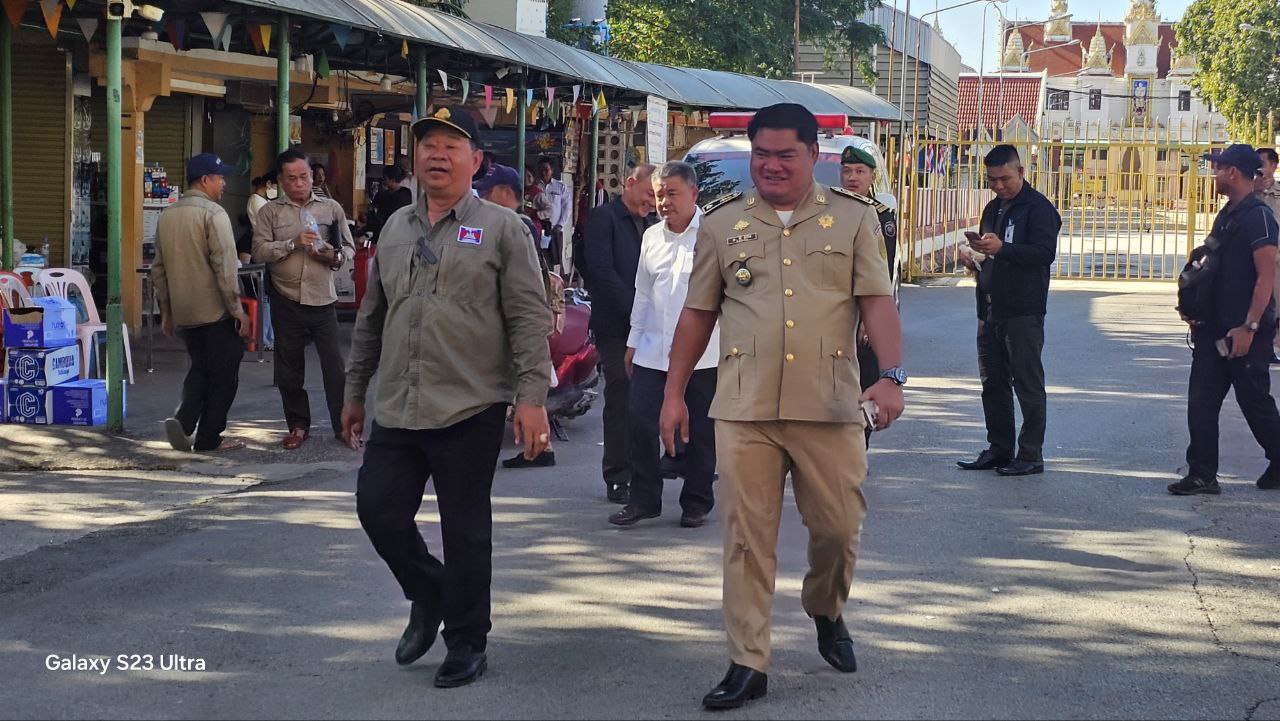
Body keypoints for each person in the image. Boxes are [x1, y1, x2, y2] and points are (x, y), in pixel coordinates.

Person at [659, 103, 905, 710]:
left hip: (830, 403)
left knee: (838, 529)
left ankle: (825, 607)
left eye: (784, 155)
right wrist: (673, 393)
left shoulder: (854, 219)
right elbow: (698, 313)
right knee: (746, 537)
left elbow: (877, 301)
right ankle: (748, 661)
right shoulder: (723, 223)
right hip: (745, 408)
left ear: (813, 155)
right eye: (761, 155)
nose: (770, 165)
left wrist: (892, 376)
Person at [343, 106, 552, 688]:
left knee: (465, 530)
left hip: (470, 403)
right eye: (428, 144)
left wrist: (531, 397)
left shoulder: (503, 228)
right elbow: (371, 315)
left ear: (476, 161)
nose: (437, 154)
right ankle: (429, 590)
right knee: (378, 509)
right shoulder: (395, 227)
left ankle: (466, 640)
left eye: (451, 146)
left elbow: (529, 318)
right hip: (399, 401)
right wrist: (355, 389)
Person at [609, 161, 718, 529]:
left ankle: (696, 501)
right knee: (640, 420)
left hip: (704, 354)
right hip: (653, 349)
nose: (664, 202)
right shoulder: (652, 237)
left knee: (700, 430)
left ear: (693, 194)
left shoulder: (712, 236)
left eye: (672, 194)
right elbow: (643, 293)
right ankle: (644, 499)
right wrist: (633, 341)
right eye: (659, 195)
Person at [1169, 144, 1280, 495]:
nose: (1213, 174)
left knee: (1255, 402)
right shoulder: (1227, 213)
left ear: (1233, 172)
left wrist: (1250, 326)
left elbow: (1266, 277)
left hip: (1244, 331)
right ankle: (1202, 474)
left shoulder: (1259, 217)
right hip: (1213, 329)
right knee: (1201, 402)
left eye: (1218, 168)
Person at [956, 144, 1060, 477]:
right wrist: (975, 258)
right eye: (992, 180)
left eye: (1005, 179)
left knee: (1027, 384)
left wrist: (1003, 249)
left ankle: (1030, 454)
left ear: (1021, 172)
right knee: (993, 382)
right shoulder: (992, 208)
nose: (998, 185)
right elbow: (991, 253)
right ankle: (999, 448)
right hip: (989, 308)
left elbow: (1043, 253)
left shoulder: (1038, 208)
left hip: (1022, 310)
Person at [252, 148, 356, 450]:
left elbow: (348, 248)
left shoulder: (331, 209)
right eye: (292, 178)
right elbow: (259, 250)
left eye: (304, 177)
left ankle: (344, 426)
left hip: (323, 299)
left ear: (313, 176)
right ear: (281, 181)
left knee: (334, 368)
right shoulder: (270, 212)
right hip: (286, 298)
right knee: (289, 369)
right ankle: (298, 426)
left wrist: (333, 256)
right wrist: (291, 243)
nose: (299, 183)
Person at [152, 153, 254, 453]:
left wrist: (167, 311)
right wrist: (238, 311)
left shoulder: (167, 215)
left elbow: (158, 269)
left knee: (201, 366)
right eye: (220, 178)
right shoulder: (214, 214)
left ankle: (184, 423)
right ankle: (209, 437)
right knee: (224, 375)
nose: (224, 184)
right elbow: (225, 267)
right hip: (216, 311)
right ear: (205, 179)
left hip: (184, 312)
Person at [473, 162, 564, 469]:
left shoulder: (516, 225)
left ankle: (538, 447)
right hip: (518, 317)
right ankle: (540, 446)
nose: (482, 198)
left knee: (520, 386)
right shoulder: (514, 223)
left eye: (487, 192)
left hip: (518, 319)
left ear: (504, 192)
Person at [583, 164, 657, 504]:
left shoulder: (654, 224)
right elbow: (601, 272)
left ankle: (652, 468)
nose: (652, 202)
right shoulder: (604, 219)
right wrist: (636, 312)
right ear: (630, 183)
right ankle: (618, 474)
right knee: (621, 397)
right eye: (649, 194)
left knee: (650, 399)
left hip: (653, 327)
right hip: (616, 326)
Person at [839, 145, 898, 448]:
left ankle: (861, 446)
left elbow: (882, 270)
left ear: (872, 177)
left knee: (867, 379)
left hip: (865, 311)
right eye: (847, 171)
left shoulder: (881, 215)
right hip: (836, 310)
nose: (853, 177)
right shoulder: (830, 212)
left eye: (860, 171)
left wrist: (869, 320)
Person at [1255, 148, 1280, 361]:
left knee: (1276, 306)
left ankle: (1272, 347)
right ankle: (1259, 347)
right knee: (1257, 304)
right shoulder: (1248, 191)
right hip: (1252, 258)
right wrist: (1255, 190)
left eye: (1262, 163)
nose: (1259, 168)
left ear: (1273, 166)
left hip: (1277, 259)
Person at [537, 156, 572, 271]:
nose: (543, 173)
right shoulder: (536, 187)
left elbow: (567, 207)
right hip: (540, 229)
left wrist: (560, 225)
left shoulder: (560, 187)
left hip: (555, 229)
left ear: (551, 170)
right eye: (541, 170)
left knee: (556, 260)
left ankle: (557, 279)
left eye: (546, 170)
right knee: (541, 259)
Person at [367, 163, 414, 245]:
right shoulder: (383, 194)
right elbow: (373, 207)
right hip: (380, 233)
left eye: (385, 178)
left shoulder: (404, 194)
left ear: (393, 180)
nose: (383, 181)